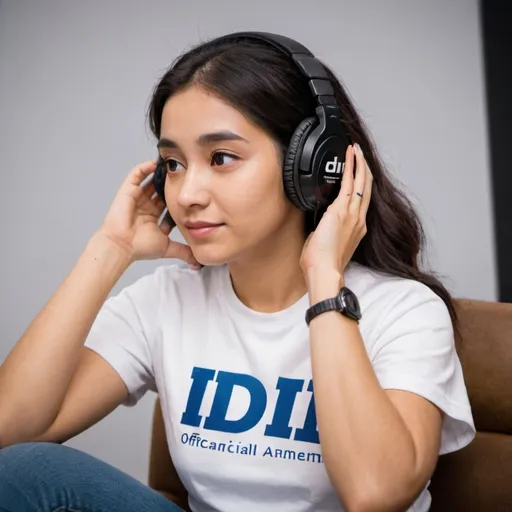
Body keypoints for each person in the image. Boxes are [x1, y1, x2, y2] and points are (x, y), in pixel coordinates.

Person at [0, 32, 475, 512]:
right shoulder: (167, 300)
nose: (186, 194)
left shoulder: (405, 311)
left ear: (311, 166)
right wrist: (110, 249)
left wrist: (324, 283)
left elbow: (376, 494)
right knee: (28, 472)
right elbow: (13, 431)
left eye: (221, 158)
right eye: (174, 164)